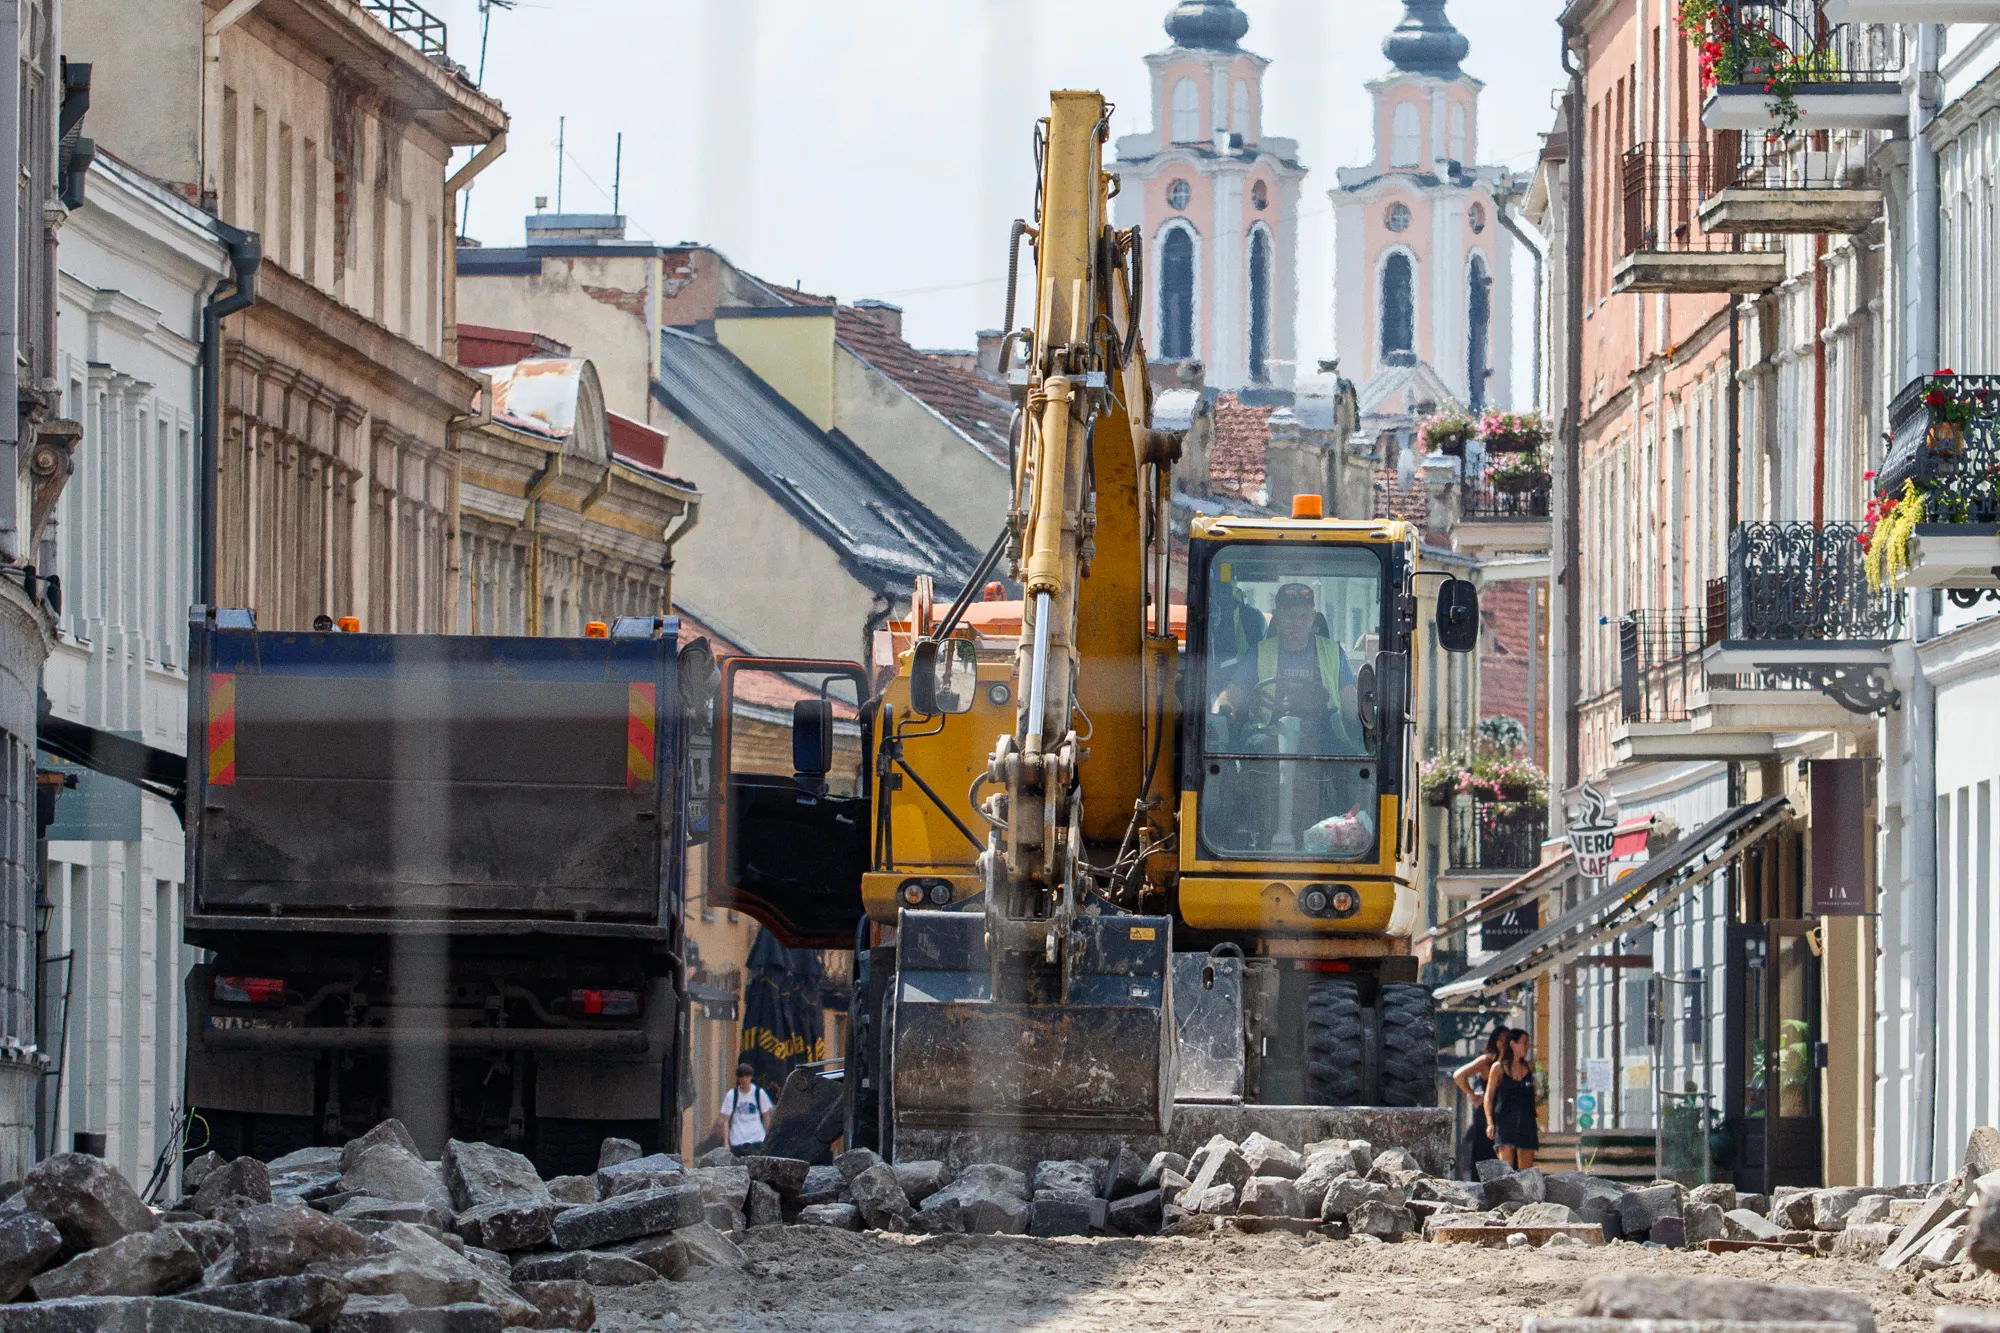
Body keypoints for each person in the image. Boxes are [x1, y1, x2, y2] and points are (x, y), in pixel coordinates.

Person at [1452, 1026, 1507, 1179]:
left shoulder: (1512, 1062)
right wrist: (1473, 1094)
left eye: (1507, 1039)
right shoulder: (1486, 1061)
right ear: (1494, 1041)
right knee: (1484, 1151)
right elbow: (1459, 1076)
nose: (1503, 1043)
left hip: (1505, 1112)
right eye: (1500, 1039)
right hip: (1485, 1112)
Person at [1484, 1028, 1539, 1170]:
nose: (1527, 1047)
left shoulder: (1530, 1067)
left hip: (1527, 1122)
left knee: (1526, 1172)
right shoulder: (1498, 1067)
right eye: (1525, 1043)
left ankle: (1525, 1192)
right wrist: (1490, 1122)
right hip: (1505, 1122)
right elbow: (1488, 1097)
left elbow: (1536, 1094)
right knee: (1506, 1171)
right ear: (1513, 1044)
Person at [711, 1063, 773, 1157]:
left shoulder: (759, 1093)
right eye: (742, 1077)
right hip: (737, 1139)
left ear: (751, 1077)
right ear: (738, 1078)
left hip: (757, 1138)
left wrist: (769, 1140)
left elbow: (766, 1118)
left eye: (747, 1077)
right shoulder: (732, 1095)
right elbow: (725, 1120)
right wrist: (726, 1143)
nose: (744, 1080)